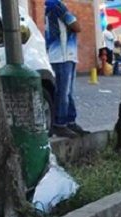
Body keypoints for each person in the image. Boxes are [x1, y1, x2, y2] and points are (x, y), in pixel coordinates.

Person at [44, 0, 88, 138]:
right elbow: (76, 27)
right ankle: (60, 124)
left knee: (68, 92)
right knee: (63, 92)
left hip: (67, 55)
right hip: (61, 56)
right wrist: (73, 19)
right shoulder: (56, 4)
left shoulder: (55, 5)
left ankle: (70, 121)